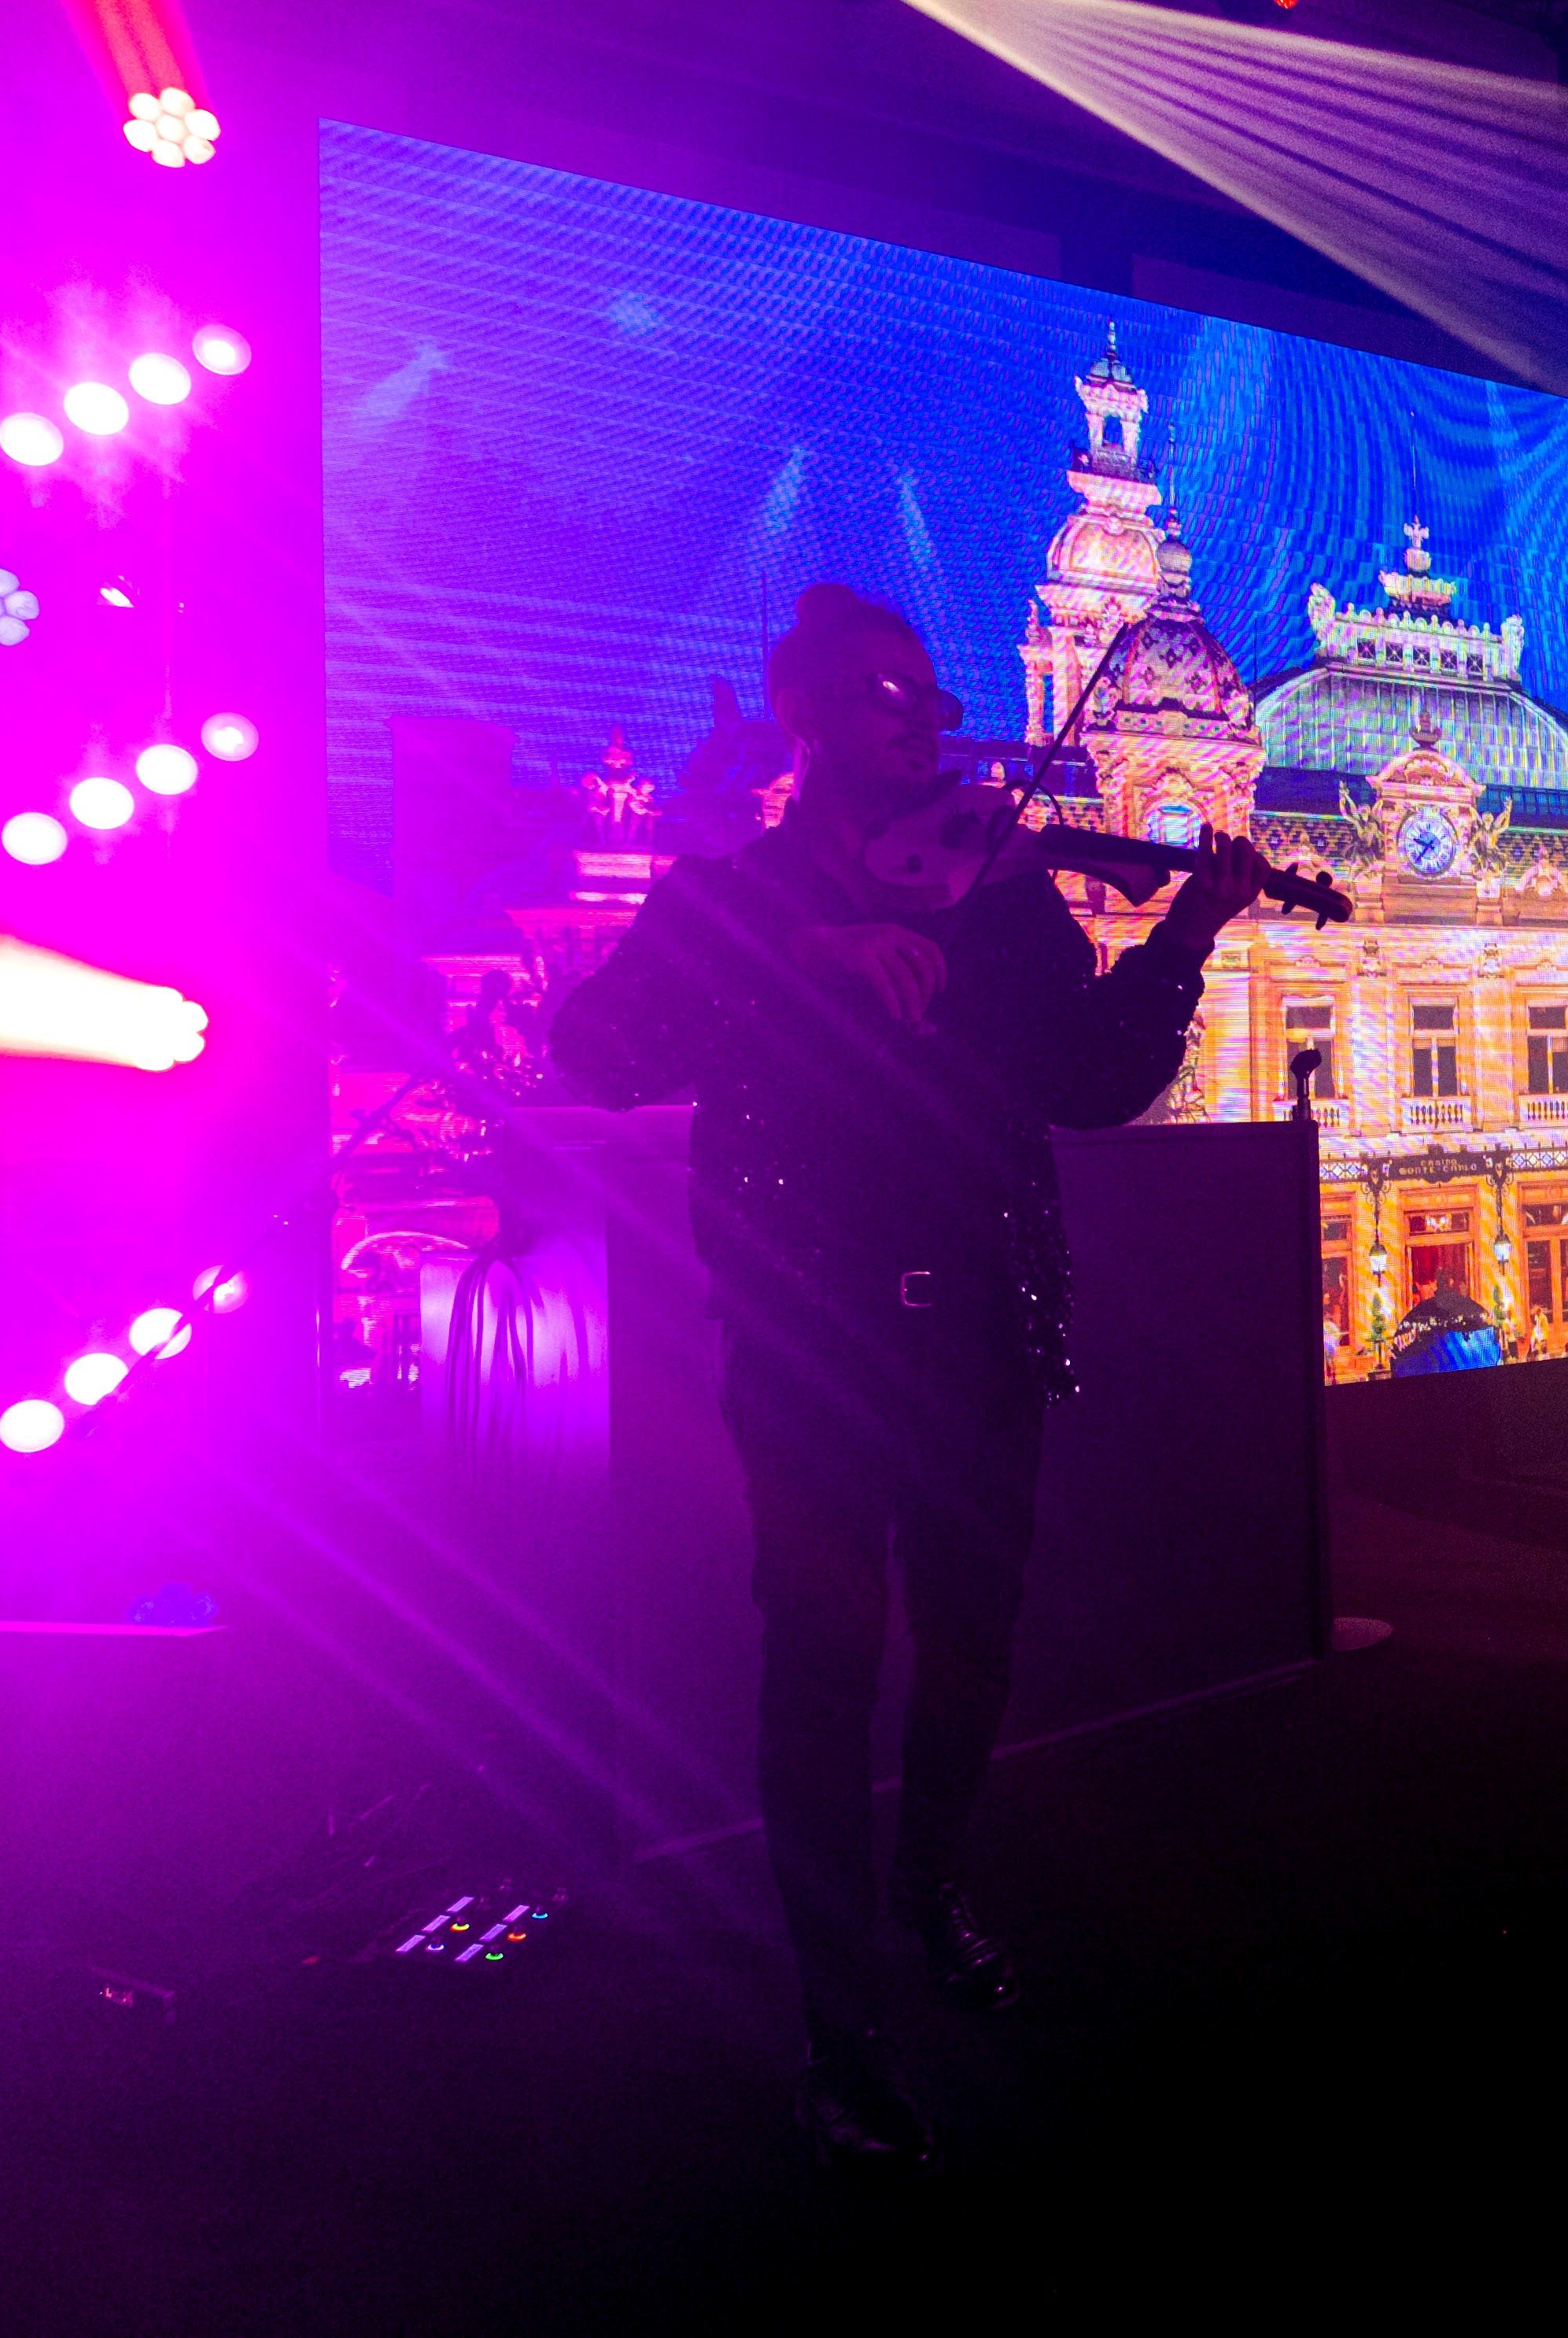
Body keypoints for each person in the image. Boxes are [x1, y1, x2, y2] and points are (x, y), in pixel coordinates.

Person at [549, 584, 1264, 2166]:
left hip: (983, 1327)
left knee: (966, 1647)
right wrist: (790, 952)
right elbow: (590, 1055)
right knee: (818, 1666)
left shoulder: (1004, 892)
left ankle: (928, 1886)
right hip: (809, 1339)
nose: (927, 723)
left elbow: (1090, 1087)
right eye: (887, 695)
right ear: (804, 715)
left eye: (931, 696)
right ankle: (838, 2030)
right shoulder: (724, 899)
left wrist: (1189, 935)